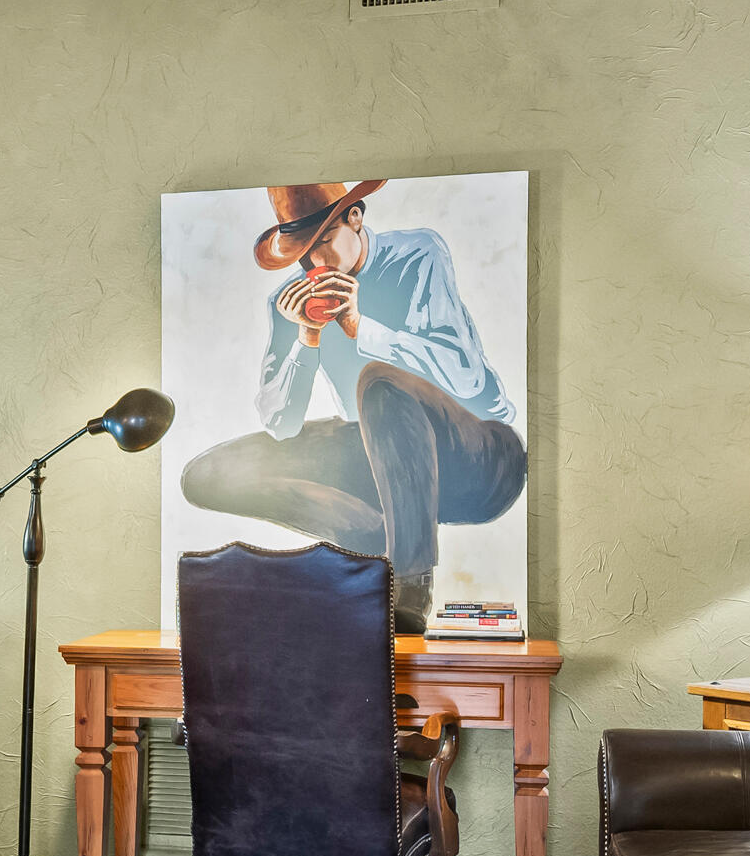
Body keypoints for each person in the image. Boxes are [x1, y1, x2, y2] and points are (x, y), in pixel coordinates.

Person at [180, 182, 525, 633]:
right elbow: (280, 425)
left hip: (479, 459)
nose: (315, 264)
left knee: (376, 381)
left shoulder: (418, 255)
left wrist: (360, 325)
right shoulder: (288, 303)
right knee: (209, 473)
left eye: (322, 242)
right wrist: (307, 338)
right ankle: (368, 543)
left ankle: (410, 583)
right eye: (302, 254)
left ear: (356, 218)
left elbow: (468, 378)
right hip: (382, 462)